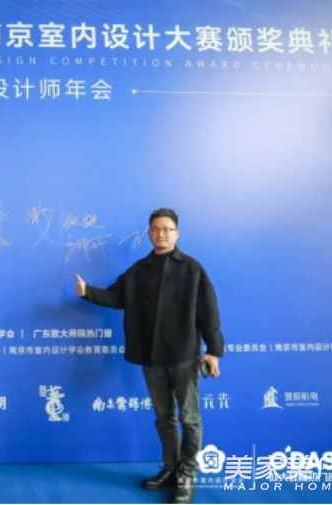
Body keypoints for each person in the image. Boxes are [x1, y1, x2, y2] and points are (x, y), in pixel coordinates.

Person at [76, 208, 224, 504]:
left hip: (183, 356)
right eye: (156, 229)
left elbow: (208, 313)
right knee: (164, 417)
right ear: (149, 234)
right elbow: (116, 296)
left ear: (177, 233)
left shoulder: (192, 269)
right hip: (151, 357)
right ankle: (170, 468)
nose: (161, 234)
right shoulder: (139, 270)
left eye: (167, 229)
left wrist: (213, 351)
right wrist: (87, 292)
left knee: (189, 418)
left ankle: (187, 474)